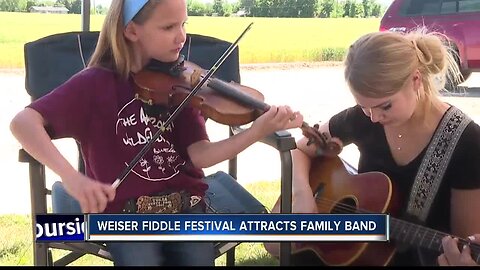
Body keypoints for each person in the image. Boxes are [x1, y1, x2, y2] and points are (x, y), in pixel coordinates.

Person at [10, 0, 303, 266]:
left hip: (186, 206)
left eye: (183, 24)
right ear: (132, 31)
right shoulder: (93, 84)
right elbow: (23, 122)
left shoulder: (179, 84)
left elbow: (201, 155)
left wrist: (257, 130)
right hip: (126, 215)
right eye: (168, 27)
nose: (182, 36)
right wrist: (72, 178)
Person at [289, 28, 480, 266]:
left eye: (385, 106)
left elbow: (466, 245)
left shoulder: (466, 142)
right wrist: (302, 194)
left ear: (416, 80)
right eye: (364, 106)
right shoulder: (362, 118)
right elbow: (298, 149)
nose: (373, 118)